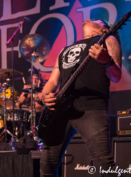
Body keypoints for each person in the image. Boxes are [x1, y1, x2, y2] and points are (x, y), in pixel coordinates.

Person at [39, 19, 122, 177]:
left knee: (104, 164)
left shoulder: (108, 39)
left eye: (96, 19)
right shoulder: (65, 49)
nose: (90, 18)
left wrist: (107, 61)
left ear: (103, 29)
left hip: (91, 108)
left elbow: (116, 76)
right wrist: (45, 96)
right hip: (61, 111)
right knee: (47, 166)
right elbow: (52, 81)